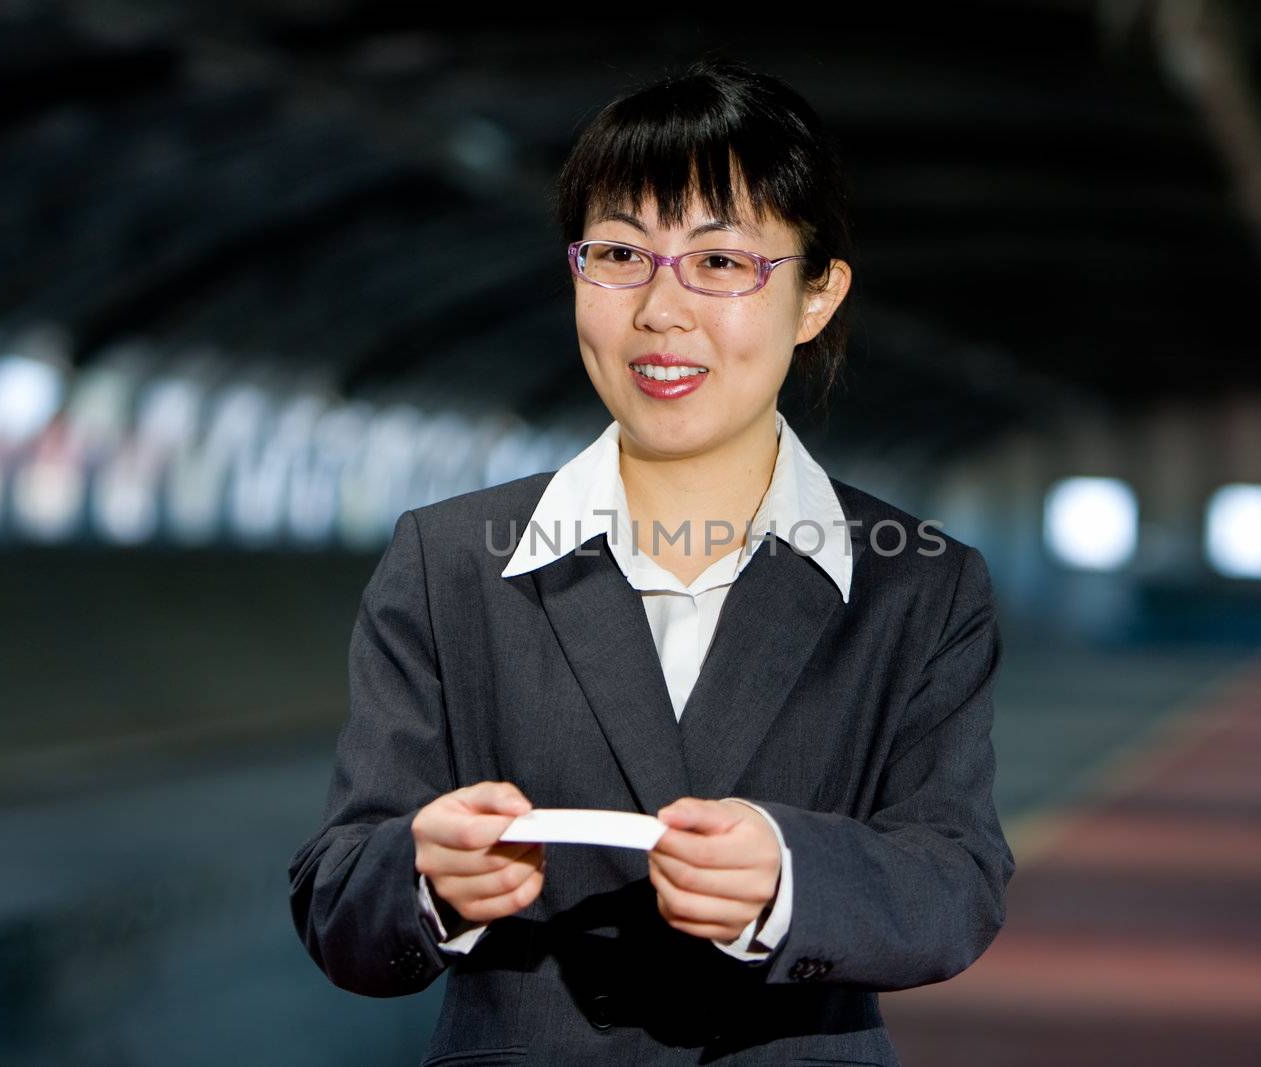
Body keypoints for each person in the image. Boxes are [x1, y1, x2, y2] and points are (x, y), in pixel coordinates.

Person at [289, 56, 1014, 1066]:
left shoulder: (917, 583)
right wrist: (424, 872)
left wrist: (789, 879)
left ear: (815, 296)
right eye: (619, 254)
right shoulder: (450, 560)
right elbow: (337, 898)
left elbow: (956, 881)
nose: (660, 311)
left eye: (721, 263)